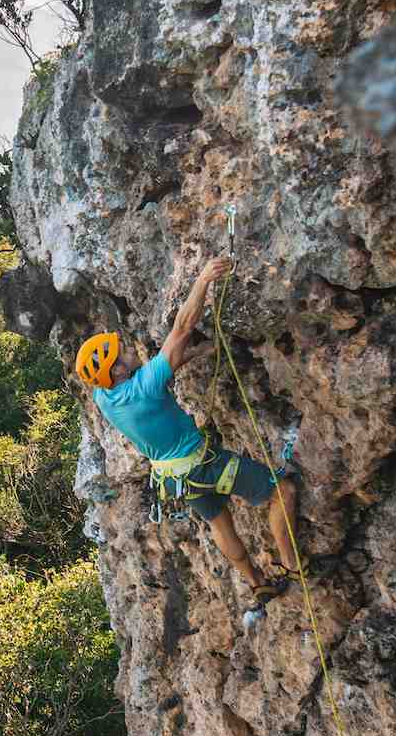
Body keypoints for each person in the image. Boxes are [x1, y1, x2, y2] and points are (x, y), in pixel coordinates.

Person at [75, 255, 304, 608]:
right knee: (282, 493)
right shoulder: (143, 387)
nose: (126, 350)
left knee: (220, 523)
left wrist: (200, 351)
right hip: (204, 465)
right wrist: (203, 280)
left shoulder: (105, 397)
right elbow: (181, 329)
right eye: (120, 354)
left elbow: (165, 363)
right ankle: (292, 567)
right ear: (118, 372)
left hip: (175, 480)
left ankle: (257, 584)